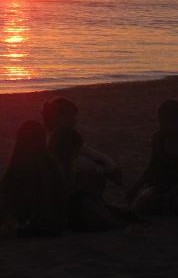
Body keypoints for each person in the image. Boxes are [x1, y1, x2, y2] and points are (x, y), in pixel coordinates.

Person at [41, 97, 132, 231]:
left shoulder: (69, 140)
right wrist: (103, 171)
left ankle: (101, 208)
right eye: (69, 117)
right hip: (65, 198)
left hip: (74, 193)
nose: (74, 121)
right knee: (89, 181)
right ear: (56, 119)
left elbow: (96, 156)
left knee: (98, 168)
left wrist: (113, 169)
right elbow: (84, 164)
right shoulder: (54, 145)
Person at [0, 120, 67, 237]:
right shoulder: (51, 163)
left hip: (32, 228)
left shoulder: (21, 164)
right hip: (57, 227)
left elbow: (0, 200)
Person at [125, 100, 178, 217]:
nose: (161, 126)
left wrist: (170, 194)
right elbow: (151, 168)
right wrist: (135, 187)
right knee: (145, 205)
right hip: (159, 185)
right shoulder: (158, 138)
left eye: (164, 123)